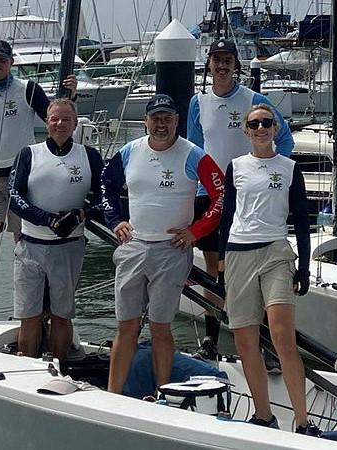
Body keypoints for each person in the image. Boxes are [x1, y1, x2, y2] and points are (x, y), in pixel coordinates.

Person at [102, 94, 225, 395]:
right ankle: (112, 395)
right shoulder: (129, 152)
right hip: (133, 245)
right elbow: (105, 185)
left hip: (172, 250)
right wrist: (115, 220)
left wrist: (196, 231)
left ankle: (163, 395)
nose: (161, 124)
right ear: (146, 121)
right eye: (155, 118)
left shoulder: (193, 154)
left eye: (167, 118)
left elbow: (221, 196)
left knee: (160, 327)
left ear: (176, 121)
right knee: (126, 327)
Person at [187, 38, 295, 362]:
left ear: (236, 65)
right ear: (209, 65)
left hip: (247, 195)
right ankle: (210, 337)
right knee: (212, 268)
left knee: (253, 267)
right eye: (216, 60)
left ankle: (265, 343)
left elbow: (285, 140)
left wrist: (265, 170)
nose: (222, 66)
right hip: (209, 195)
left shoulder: (254, 99)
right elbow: (194, 153)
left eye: (227, 60)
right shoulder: (198, 103)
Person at [0, 39, 77, 328]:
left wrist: (70, 96)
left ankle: (28, 305)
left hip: (23, 174)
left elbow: (56, 120)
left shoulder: (27, 89)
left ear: (11, 62)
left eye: (2, 59)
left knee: (23, 240)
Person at [218, 104, 317, 434]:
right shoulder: (236, 167)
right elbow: (227, 215)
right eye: (254, 124)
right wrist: (221, 262)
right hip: (238, 253)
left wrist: (304, 267)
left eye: (266, 123)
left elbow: (302, 222)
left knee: (281, 336)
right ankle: (264, 415)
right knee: (245, 340)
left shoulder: (289, 169)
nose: (260, 128)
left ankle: (302, 420)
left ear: (275, 129)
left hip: (276, 252)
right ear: (246, 130)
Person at [7, 98, 104, 362]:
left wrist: (81, 213)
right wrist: (45, 218)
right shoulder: (29, 153)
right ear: (47, 122)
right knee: (29, 315)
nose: (60, 124)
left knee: (62, 314)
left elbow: (104, 199)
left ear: (75, 124)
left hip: (68, 246)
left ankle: (61, 366)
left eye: (66, 120)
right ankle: (28, 367)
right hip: (30, 245)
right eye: (54, 119)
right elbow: (14, 195)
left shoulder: (90, 156)